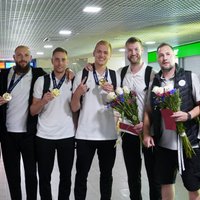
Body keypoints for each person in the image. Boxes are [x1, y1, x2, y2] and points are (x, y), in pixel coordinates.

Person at [143, 43, 200, 200]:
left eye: (167, 54)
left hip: (189, 142)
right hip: (163, 145)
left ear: (173, 56)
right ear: (157, 59)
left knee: (193, 187)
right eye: (161, 55)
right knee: (166, 183)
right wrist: (146, 134)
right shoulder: (154, 83)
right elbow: (148, 110)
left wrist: (188, 115)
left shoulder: (189, 77)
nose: (164, 58)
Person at [71, 40, 118, 200]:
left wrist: (114, 95)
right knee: (81, 175)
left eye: (105, 52)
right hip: (85, 134)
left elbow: (121, 106)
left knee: (106, 175)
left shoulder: (114, 76)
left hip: (108, 134)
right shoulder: (82, 74)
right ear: (94, 53)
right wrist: (77, 93)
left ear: (109, 55)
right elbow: (74, 107)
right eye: (99, 51)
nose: (102, 55)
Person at [117, 37, 161, 200]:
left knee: (154, 176)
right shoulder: (121, 73)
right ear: (126, 52)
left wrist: (146, 124)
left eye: (136, 49)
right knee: (132, 176)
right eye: (129, 50)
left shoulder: (151, 74)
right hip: (128, 132)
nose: (133, 53)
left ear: (142, 50)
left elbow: (158, 105)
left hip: (148, 132)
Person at [0, 45, 46, 200]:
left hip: (29, 135)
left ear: (30, 58)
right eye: (19, 55)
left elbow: (58, 75)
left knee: (31, 175)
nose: (23, 58)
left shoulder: (38, 74)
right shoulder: (3, 74)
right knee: (12, 176)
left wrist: (69, 72)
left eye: (26, 55)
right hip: (7, 135)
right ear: (14, 58)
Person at [30, 47, 75, 200]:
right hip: (44, 136)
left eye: (63, 59)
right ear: (52, 61)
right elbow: (32, 111)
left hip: (67, 135)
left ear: (67, 61)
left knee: (66, 177)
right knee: (44, 177)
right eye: (56, 59)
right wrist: (43, 100)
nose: (60, 63)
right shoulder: (42, 81)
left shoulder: (72, 80)